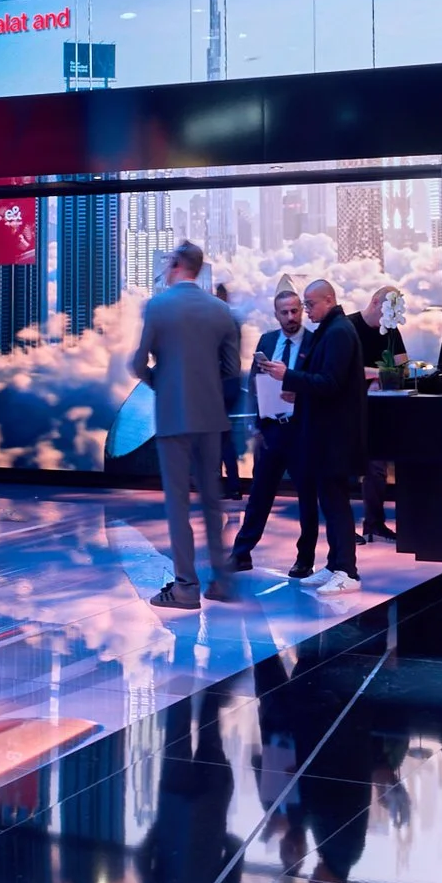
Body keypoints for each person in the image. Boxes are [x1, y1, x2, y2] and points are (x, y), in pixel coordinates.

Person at [133, 241, 241, 609]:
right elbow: (230, 370)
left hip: (173, 417)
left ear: (177, 265)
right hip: (211, 417)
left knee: (178, 504)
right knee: (212, 502)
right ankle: (222, 583)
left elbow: (137, 363)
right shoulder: (221, 311)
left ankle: (185, 587)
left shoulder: (158, 306)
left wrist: (160, 380)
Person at [261, 278, 366, 593]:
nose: (305, 311)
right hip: (325, 434)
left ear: (329, 300)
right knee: (330, 501)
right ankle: (335, 565)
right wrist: (299, 390)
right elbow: (321, 382)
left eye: (309, 304)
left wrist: (288, 376)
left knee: (336, 503)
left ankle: (347, 571)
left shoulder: (338, 333)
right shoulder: (332, 331)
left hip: (334, 435)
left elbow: (331, 383)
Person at [228, 288, 320, 575]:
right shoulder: (268, 340)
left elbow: (321, 383)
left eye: (295, 310)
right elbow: (255, 384)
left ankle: (305, 559)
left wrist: (301, 393)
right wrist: (255, 424)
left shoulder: (315, 343)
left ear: (302, 310)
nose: (291, 317)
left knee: (307, 496)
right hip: (271, 429)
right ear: (276, 313)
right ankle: (242, 553)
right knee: (259, 493)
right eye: (285, 312)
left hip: (302, 429)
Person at [350, 289, 409, 543]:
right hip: (348, 407)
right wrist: (381, 373)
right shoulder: (349, 327)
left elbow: (403, 366)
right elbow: (346, 368)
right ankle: (343, 528)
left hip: (378, 408)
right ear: (375, 302)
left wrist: (388, 374)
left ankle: (374, 523)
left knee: (378, 468)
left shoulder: (391, 330)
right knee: (345, 468)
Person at [213, 283, 244, 496]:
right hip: (231, 386)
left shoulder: (216, 324)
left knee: (219, 436)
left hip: (218, 386)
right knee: (222, 435)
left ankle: (228, 486)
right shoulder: (233, 321)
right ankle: (231, 485)